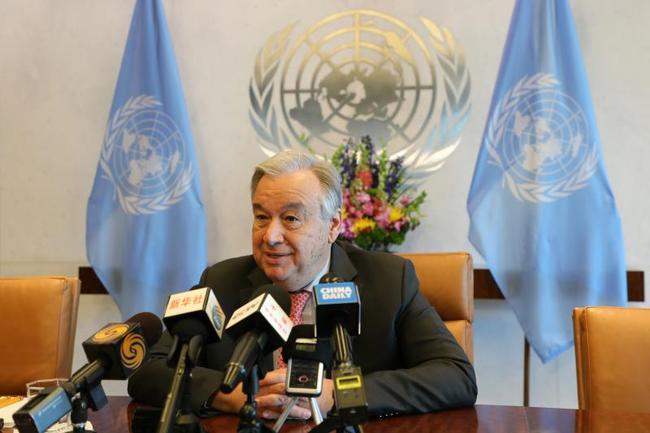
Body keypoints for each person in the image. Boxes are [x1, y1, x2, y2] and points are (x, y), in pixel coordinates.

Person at [128, 149, 477, 419]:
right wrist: (234, 395)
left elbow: (455, 376)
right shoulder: (221, 282)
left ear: (332, 226)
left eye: (291, 218)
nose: (271, 235)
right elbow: (151, 373)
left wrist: (337, 394)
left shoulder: (388, 280)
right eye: (261, 217)